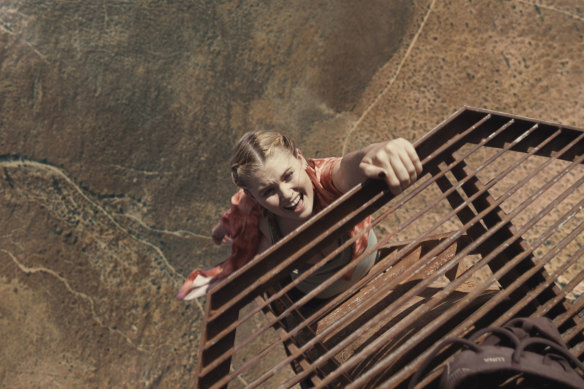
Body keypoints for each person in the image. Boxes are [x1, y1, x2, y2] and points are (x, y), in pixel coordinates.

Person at [176, 131, 422, 300]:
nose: (286, 195)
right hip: (321, 303)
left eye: (288, 176)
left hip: (370, 269)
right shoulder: (258, 220)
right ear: (254, 197)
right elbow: (233, 217)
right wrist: (219, 233)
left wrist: (381, 152)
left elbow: (351, 165)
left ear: (301, 159)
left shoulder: (325, 182)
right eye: (268, 191)